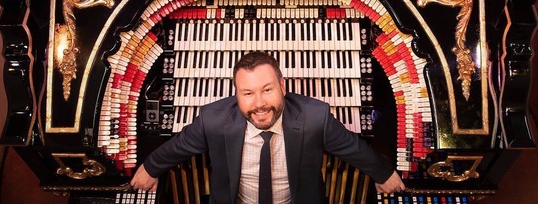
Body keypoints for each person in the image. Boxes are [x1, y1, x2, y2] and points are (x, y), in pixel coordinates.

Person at [131, 51, 405, 203]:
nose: (259, 104)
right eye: (248, 93)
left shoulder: (314, 116)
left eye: (267, 90)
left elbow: (352, 147)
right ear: (237, 94)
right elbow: (178, 147)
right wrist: (150, 168)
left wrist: (384, 174)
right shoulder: (213, 118)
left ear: (282, 86)